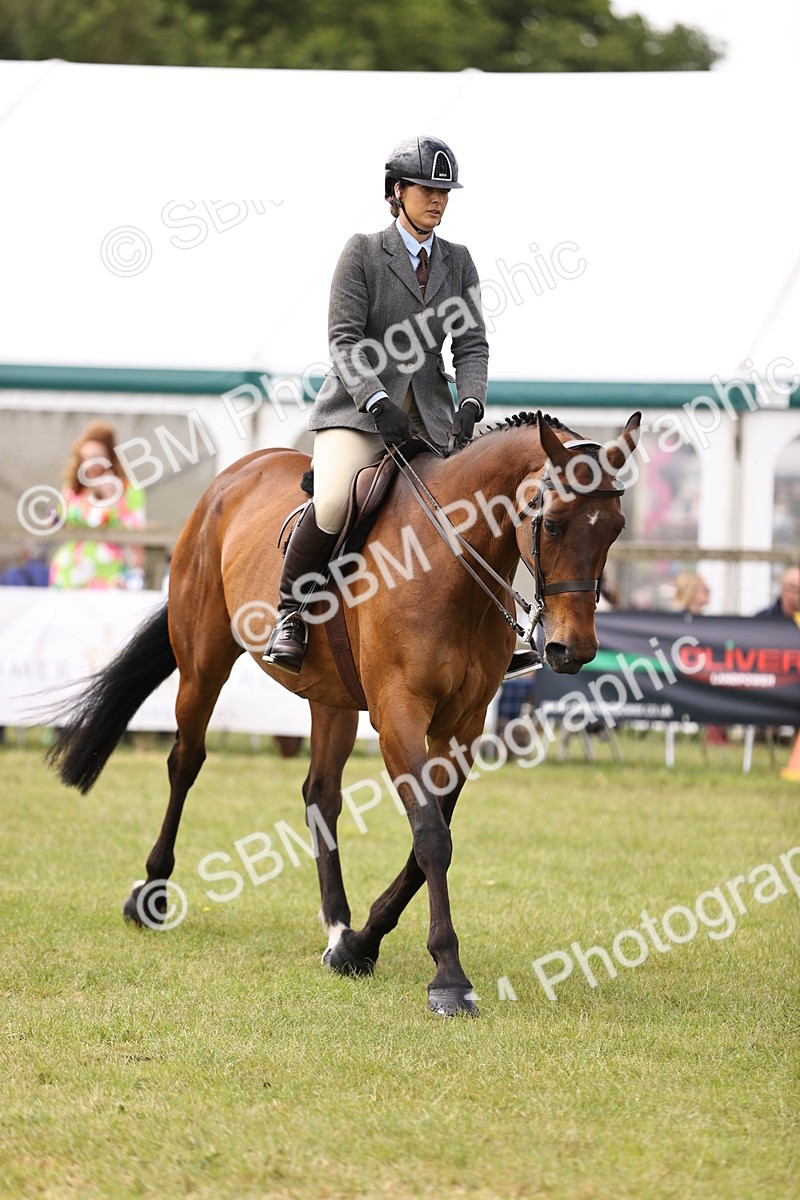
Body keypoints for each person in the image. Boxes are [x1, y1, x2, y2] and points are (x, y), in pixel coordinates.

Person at [264, 134, 517, 674]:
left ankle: (496, 632)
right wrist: (378, 400)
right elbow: (344, 339)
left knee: (480, 508)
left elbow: (471, 344)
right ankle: (290, 613)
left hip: (430, 417)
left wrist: (471, 403)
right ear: (396, 192)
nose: (438, 200)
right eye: (427, 189)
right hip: (359, 413)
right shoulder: (362, 252)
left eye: (444, 192)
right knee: (334, 501)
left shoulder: (459, 262)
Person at [49, 421, 146, 589]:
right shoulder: (73, 489)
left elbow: (135, 533)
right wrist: (54, 519)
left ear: (110, 458)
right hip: (68, 574)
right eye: (84, 457)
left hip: (109, 575)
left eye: (95, 457)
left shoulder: (129, 490)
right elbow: (64, 522)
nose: (89, 464)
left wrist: (112, 499)